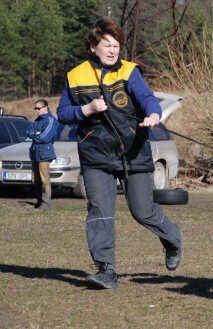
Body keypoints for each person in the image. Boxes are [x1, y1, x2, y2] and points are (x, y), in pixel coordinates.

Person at [57, 17, 183, 289]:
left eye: (116, 45)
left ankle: (172, 238)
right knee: (100, 211)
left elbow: (147, 97)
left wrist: (153, 114)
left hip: (133, 151)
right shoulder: (75, 76)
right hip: (95, 154)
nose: (113, 50)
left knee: (142, 211)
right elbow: (62, 113)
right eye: (107, 44)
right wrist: (86, 110)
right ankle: (107, 271)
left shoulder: (129, 71)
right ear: (92, 46)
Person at [27, 99, 58, 211]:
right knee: (36, 179)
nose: (37, 110)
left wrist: (35, 135)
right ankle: (39, 201)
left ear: (45, 107)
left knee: (45, 179)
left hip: (44, 152)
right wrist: (35, 133)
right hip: (35, 152)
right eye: (35, 108)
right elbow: (28, 132)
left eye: (38, 108)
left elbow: (45, 137)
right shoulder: (37, 120)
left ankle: (45, 205)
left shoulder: (50, 120)